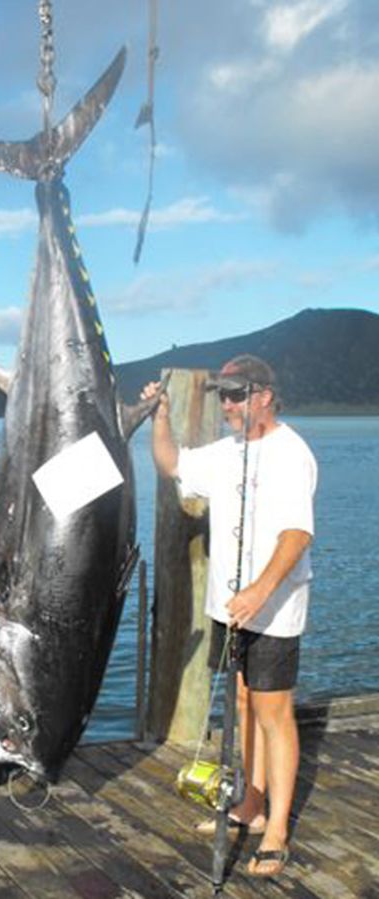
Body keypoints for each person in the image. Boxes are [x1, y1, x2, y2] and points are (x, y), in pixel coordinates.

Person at [141, 355, 317, 879]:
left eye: (237, 395)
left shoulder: (291, 453)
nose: (228, 405)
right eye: (223, 396)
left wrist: (261, 592)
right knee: (241, 703)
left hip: (274, 607)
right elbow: (171, 464)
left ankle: (277, 830)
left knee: (274, 713)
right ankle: (250, 804)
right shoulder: (225, 451)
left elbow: (297, 535)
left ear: (264, 395)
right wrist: (161, 415)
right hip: (229, 606)